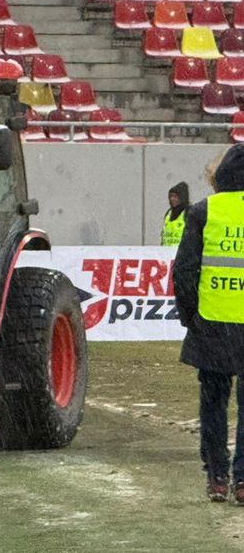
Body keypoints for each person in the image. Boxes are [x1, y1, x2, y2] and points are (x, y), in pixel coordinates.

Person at [175, 145, 244, 504]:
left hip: (213, 322)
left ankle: (217, 475)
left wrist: (190, 317)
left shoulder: (204, 211)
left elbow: (185, 271)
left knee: (213, 402)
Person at [162, 181, 190, 246]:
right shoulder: (168, 213)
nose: (172, 199)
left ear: (182, 197)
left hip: (181, 254)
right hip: (165, 254)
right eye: (171, 196)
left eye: (175, 196)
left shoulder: (188, 213)